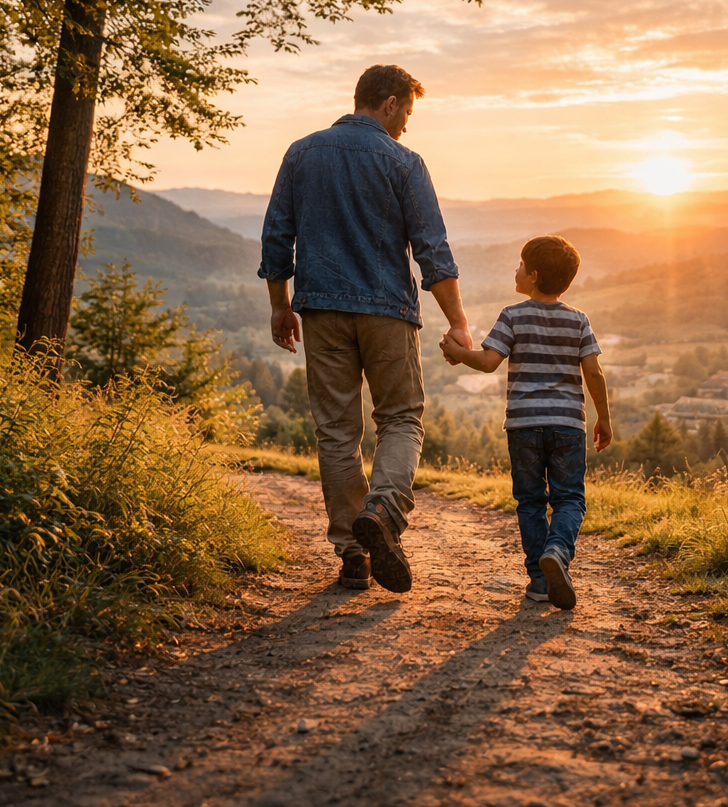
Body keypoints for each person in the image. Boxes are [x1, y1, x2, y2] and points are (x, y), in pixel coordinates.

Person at [259, 64, 471, 593]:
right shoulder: (403, 162)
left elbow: (275, 238)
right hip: (387, 312)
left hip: (321, 311)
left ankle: (353, 553)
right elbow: (432, 251)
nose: (406, 127)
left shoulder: (301, 153)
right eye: (408, 114)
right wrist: (459, 322)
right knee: (400, 418)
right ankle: (382, 511)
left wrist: (280, 306)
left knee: (336, 430)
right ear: (391, 103)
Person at [439, 235, 611, 609]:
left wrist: (456, 352)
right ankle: (558, 552)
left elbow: (486, 362)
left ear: (532, 276)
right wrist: (604, 419)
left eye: (519, 264)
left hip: (523, 425)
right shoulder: (579, 320)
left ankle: (538, 580)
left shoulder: (512, 315)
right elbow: (594, 374)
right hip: (568, 425)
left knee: (530, 502)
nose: (514, 269)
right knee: (570, 499)